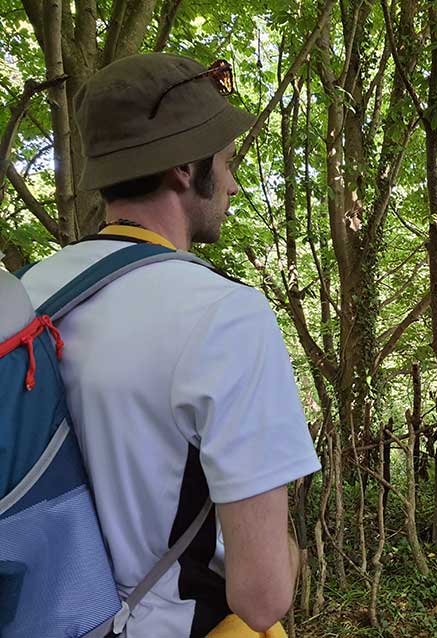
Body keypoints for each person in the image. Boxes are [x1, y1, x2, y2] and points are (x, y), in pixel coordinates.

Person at [20, 53, 320, 637]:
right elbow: (263, 597)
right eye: (227, 163)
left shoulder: (32, 293)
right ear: (184, 167)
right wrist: (287, 553)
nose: (231, 183)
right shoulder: (223, 315)